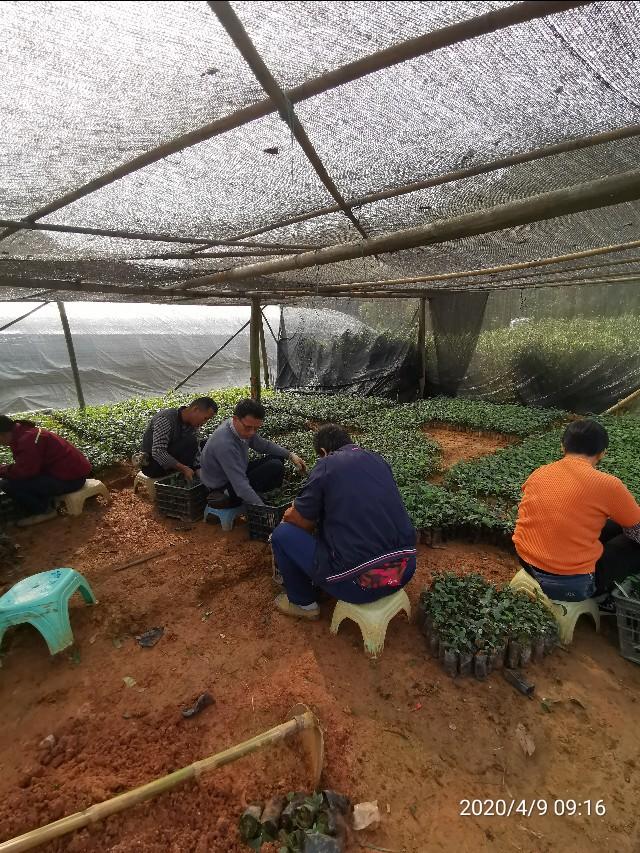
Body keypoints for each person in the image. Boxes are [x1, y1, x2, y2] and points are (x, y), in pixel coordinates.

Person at [270, 424, 417, 620]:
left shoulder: (326, 465)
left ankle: (303, 603)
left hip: (360, 585)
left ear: (323, 452)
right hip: (404, 571)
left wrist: (293, 511)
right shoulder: (377, 459)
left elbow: (301, 523)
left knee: (282, 535)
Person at [513, 418, 640, 607]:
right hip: (572, 584)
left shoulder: (540, 473)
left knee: (613, 526)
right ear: (602, 453)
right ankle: (602, 596)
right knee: (631, 545)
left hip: (527, 562)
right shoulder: (608, 485)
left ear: (563, 447)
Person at [199, 398, 306, 507]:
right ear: (235, 419)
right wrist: (263, 510)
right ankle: (258, 497)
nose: (251, 433)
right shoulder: (225, 444)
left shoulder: (236, 426)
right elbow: (240, 486)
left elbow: (263, 445)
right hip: (223, 489)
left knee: (278, 457)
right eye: (248, 427)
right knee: (275, 466)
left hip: (234, 474)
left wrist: (290, 455)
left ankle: (260, 493)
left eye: (256, 428)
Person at [0, 415, 92, 526]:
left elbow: (25, 471)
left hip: (71, 480)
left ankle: (44, 511)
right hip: (72, 474)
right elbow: (28, 466)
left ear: (3, 434)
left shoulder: (27, 440)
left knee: (7, 484)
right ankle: (47, 504)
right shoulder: (26, 432)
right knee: (19, 479)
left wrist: (2, 470)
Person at [139, 397, 218, 480]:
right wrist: (183, 468)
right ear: (195, 409)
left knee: (207, 442)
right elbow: (158, 452)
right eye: (205, 418)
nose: (204, 423)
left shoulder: (192, 424)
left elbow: (196, 449)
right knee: (191, 441)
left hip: (173, 461)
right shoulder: (166, 419)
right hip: (153, 466)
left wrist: (198, 469)